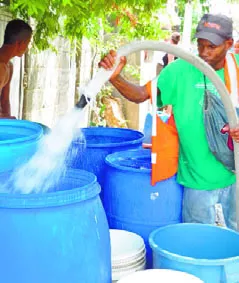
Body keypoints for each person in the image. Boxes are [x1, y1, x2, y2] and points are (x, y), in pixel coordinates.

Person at [99, 13, 239, 230]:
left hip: (236, 176)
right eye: (200, 44)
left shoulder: (237, 68)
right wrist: (115, 77)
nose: (203, 53)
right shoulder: (179, 71)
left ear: (228, 44)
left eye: (211, 46)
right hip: (198, 179)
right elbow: (140, 95)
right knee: (196, 241)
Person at [0, 19, 32, 118]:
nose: (27, 48)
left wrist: (9, 123)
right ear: (20, 43)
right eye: (28, 43)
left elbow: (5, 101)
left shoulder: (9, 67)